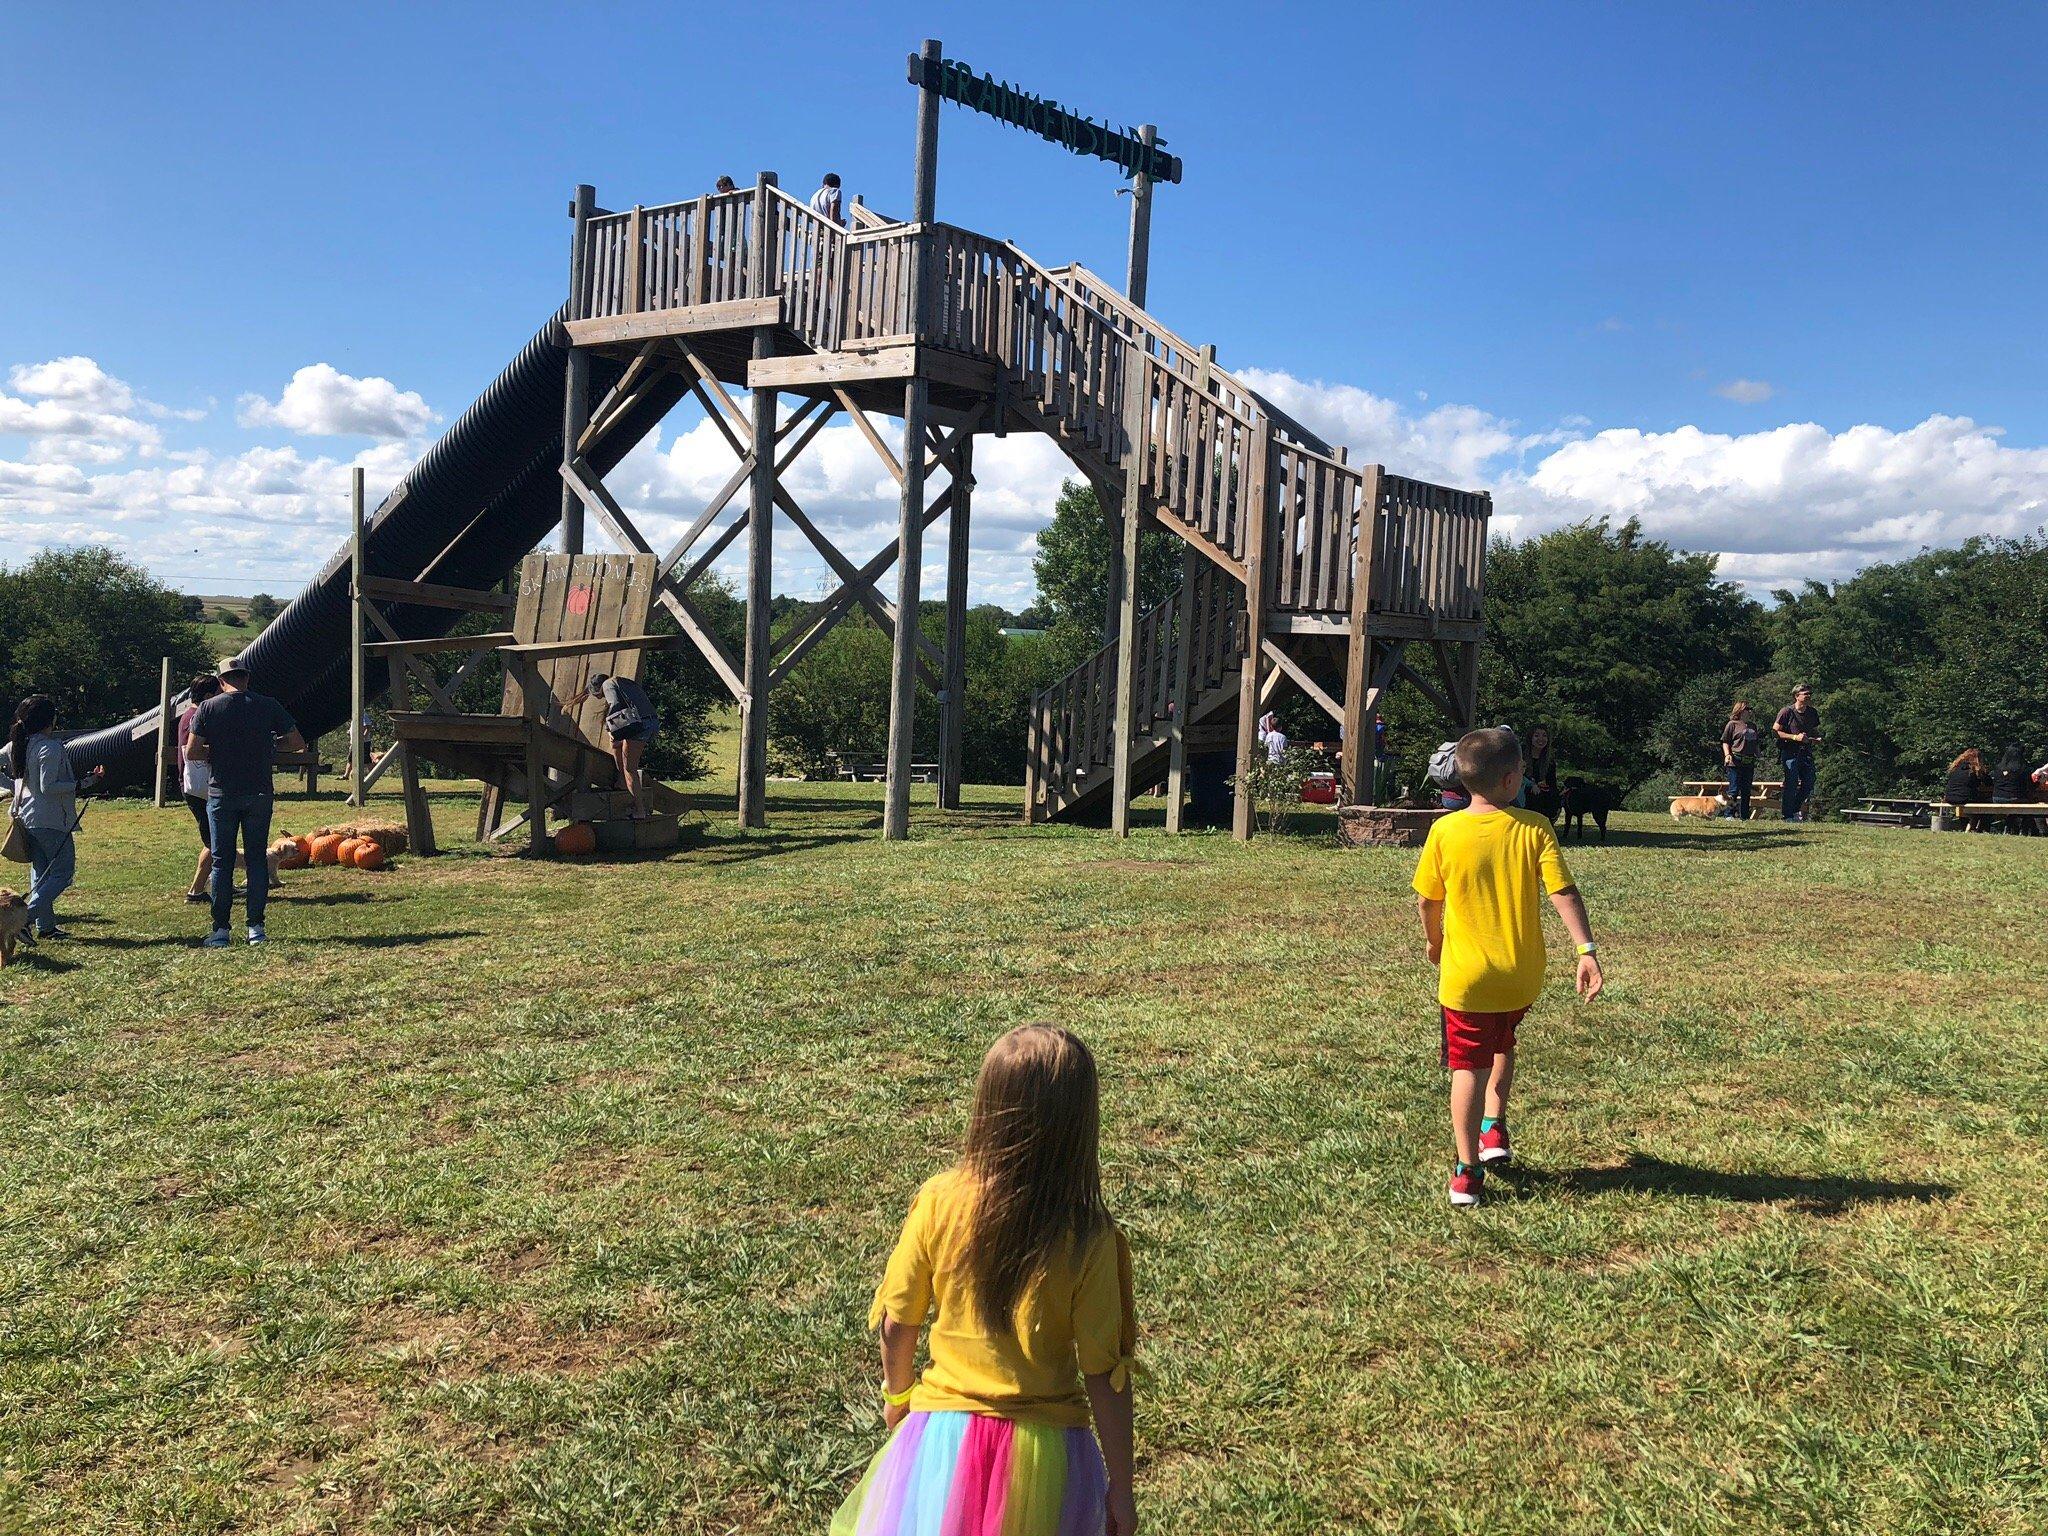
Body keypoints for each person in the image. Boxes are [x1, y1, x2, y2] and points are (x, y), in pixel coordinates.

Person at [831, 1025, 1137, 1536]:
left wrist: (898, 1398)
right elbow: (1104, 1374)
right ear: (1080, 1125)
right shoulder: (1088, 1237)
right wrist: (1121, 1487)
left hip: (940, 1443)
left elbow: (898, 1321)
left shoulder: (939, 1201)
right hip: (1047, 1454)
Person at [1413, 727, 1603, 1208]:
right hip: (1521, 975)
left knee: (1467, 1065)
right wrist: (1585, 951)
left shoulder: (1444, 830)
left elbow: (1427, 901)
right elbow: (1563, 893)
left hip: (1467, 977)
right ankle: (1494, 1128)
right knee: (1503, 1039)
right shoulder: (1535, 827)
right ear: (1514, 778)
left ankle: (1466, 1173)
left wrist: (1435, 943)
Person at [184, 659, 303, 947]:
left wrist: (222, 750)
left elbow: (192, 752)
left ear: (221, 681)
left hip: (222, 793)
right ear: (246, 679)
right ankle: (256, 930)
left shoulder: (208, 708)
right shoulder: (268, 705)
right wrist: (268, 747)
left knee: (223, 863)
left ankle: (221, 931)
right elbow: (297, 742)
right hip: (259, 793)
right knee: (257, 862)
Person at [7, 695, 103, 940]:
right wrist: (80, 783)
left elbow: (36, 784)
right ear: (50, 720)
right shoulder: (48, 747)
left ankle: (46, 927)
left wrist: (14, 787)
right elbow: (48, 786)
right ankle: (24, 920)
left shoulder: (18, 744)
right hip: (49, 819)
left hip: (26, 816)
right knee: (62, 873)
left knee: (41, 872)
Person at [587, 671, 659, 819]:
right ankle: (621, 782)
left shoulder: (608, 685)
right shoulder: (623, 682)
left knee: (630, 769)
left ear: (597, 688)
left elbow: (615, 704)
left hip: (640, 726)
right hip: (651, 722)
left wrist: (610, 726)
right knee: (616, 744)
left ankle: (639, 810)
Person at [177, 673, 223, 901]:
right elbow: (191, 752)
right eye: (218, 695)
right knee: (215, 842)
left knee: (217, 840)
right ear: (207, 696)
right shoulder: (195, 717)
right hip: (199, 789)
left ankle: (218, 881)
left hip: (201, 787)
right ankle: (195, 891)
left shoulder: (194, 715)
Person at [1773, 684, 1822, 822]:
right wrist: (1794, 737)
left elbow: (1813, 730)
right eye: (1805, 693)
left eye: (1809, 693)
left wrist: (1816, 738)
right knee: (1791, 782)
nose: (1808, 696)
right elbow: (1776, 731)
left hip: (1806, 752)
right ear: (1796, 696)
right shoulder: (1786, 711)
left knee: (1809, 783)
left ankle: (1794, 810)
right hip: (1790, 752)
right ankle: (1787, 815)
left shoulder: (1812, 712)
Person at [1720, 701, 1762, 821]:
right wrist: (1727, 754)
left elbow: (1756, 742)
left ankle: (1744, 816)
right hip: (1735, 760)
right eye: (1747, 709)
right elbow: (1725, 741)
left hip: (1749, 761)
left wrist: (1758, 753)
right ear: (1740, 710)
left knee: (1746, 789)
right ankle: (1729, 814)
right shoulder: (1732, 724)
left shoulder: (1752, 726)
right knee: (1734, 788)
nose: (1749, 711)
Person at [1991, 742, 2041, 834]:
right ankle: (2025, 830)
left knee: (2018, 805)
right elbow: (2030, 786)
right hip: (2016, 798)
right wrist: (2038, 782)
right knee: (2030, 804)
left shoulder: (1998, 767)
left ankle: (2009, 826)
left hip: (1997, 798)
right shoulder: (2023, 768)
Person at [1523, 725, 1559, 819]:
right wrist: (1532, 785)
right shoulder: (1521, 755)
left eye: (1544, 735)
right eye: (1536, 735)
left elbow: (1552, 784)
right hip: (1523, 797)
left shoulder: (1549, 761)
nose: (1541, 739)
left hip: (1543, 800)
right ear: (1530, 738)